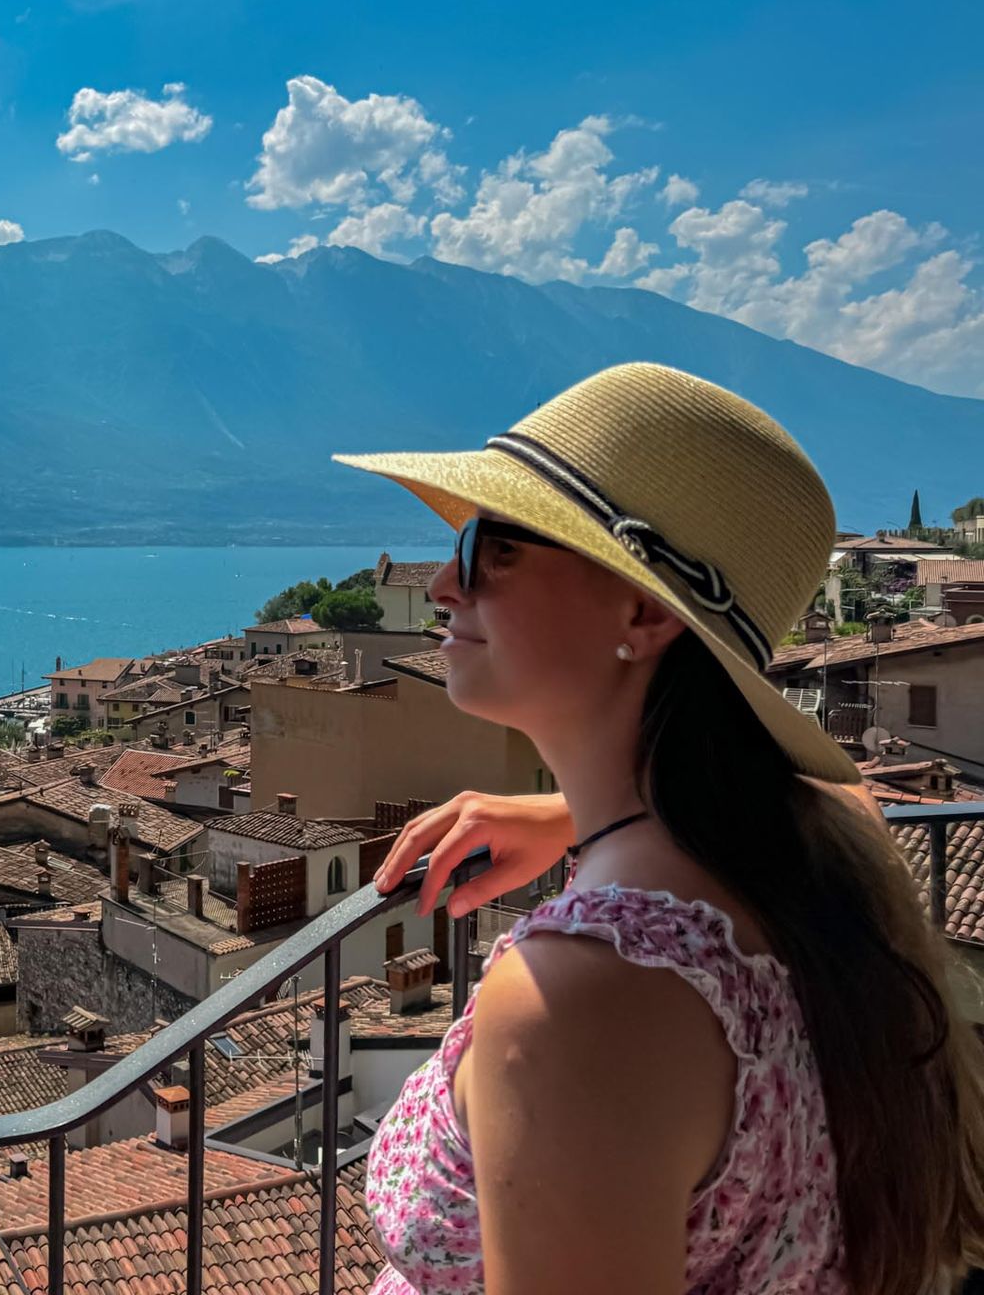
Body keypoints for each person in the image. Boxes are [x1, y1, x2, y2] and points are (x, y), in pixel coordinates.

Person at [327, 363, 984, 1294]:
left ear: (642, 609)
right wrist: (577, 814)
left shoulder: (581, 999)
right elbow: (838, 800)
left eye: (492, 549)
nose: (442, 584)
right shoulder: (811, 861)